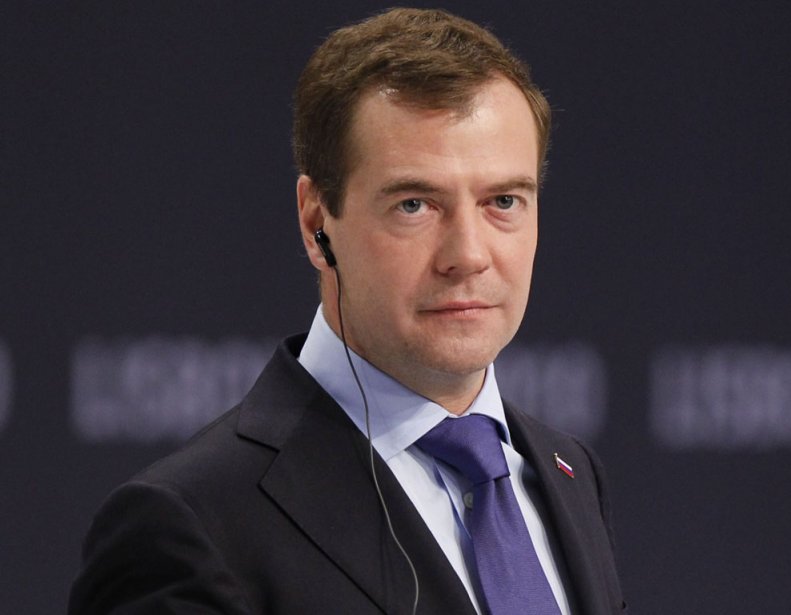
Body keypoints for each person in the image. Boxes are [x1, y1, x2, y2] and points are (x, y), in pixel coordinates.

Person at [69, 8, 626, 614]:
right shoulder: (190, 523)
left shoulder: (568, 474)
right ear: (317, 223)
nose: (468, 255)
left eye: (504, 201)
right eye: (414, 204)